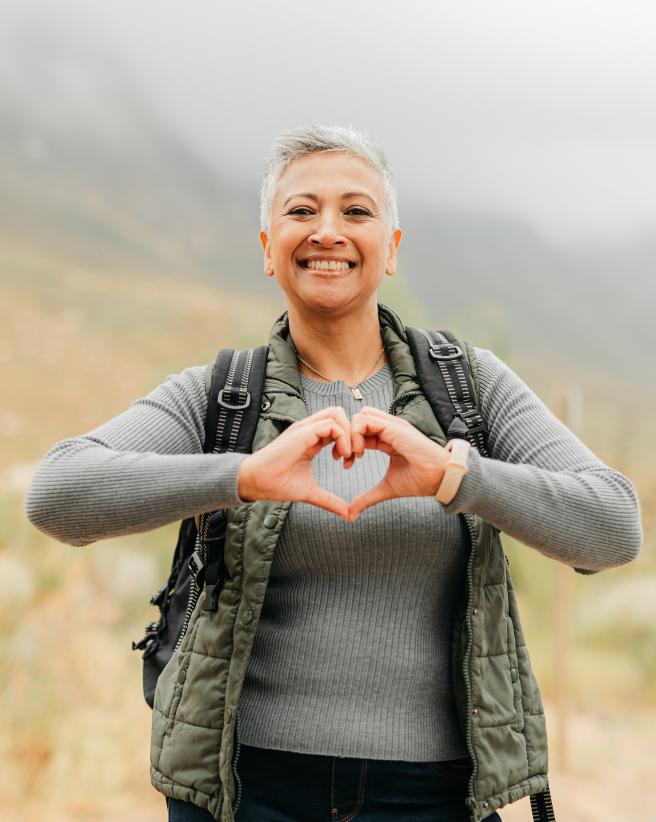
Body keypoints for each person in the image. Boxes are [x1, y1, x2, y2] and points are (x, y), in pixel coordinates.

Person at [25, 124, 643, 822]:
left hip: (435, 799)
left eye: (356, 210)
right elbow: (57, 493)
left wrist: (454, 477)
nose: (328, 231)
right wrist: (243, 475)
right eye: (299, 211)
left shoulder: (470, 386)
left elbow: (613, 527)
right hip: (244, 795)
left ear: (393, 248)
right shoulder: (223, 394)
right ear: (267, 248)